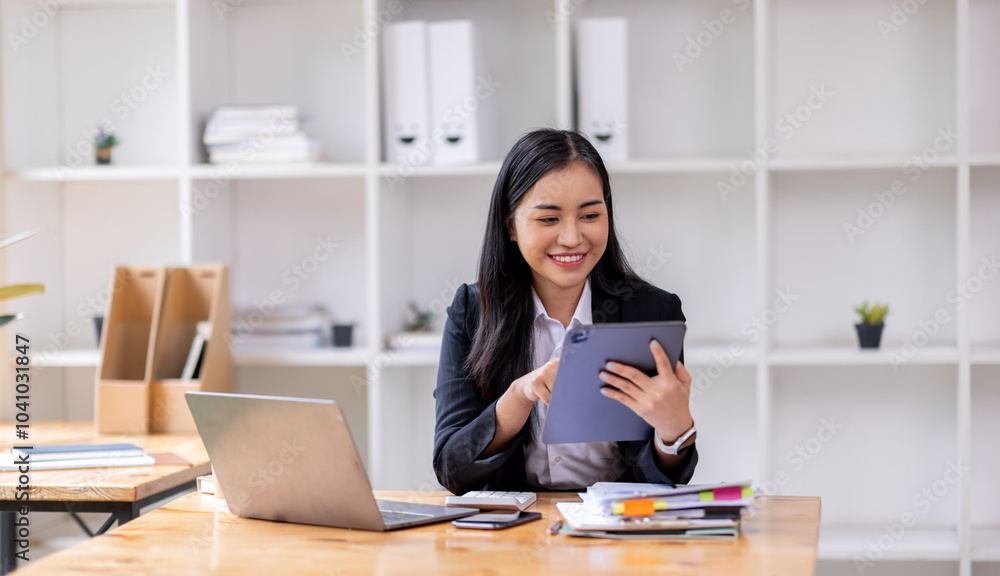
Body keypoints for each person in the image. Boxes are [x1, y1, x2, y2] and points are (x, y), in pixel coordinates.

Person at [433, 128, 697, 494]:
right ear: (510, 225)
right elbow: (452, 469)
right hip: (514, 534)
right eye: (548, 219)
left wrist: (674, 431)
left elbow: (664, 479)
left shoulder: (652, 310)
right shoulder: (473, 311)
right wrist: (518, 397)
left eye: (590, 215)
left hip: (617, 533)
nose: (572, 238)